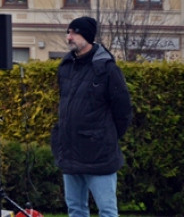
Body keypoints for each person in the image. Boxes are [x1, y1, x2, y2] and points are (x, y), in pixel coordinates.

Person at [51, 16, 132, 217]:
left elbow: (123, 111)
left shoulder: (107, 69)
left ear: (87, 36)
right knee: (75, 209)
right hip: (70, 153)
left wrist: (105, 136)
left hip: (99, 156)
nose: (69, 37)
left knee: (107, 211)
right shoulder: (66, 66)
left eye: (74, 32)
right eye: (68, 32)